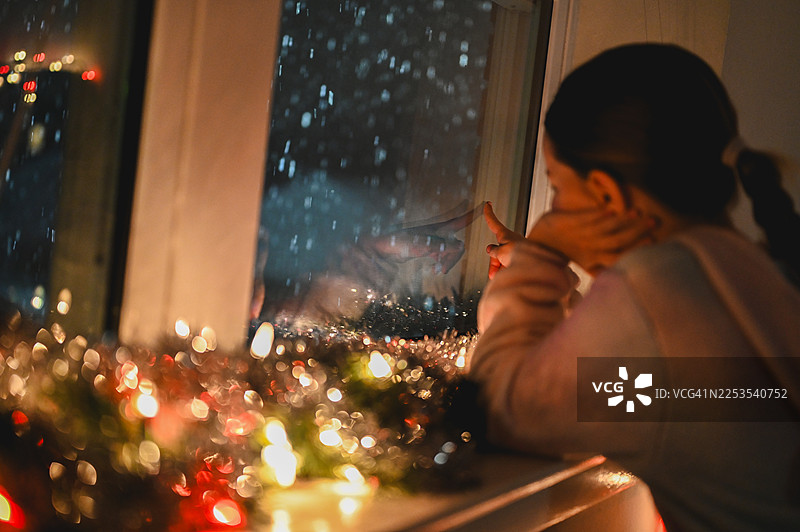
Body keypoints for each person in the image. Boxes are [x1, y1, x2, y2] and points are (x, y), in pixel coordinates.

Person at [469, 43, 800, 531]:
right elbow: (632, 379)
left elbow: (499, 408)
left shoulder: (654, 289)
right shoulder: (744, 267)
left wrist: (544, 250)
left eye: (558, 190)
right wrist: (540, 277)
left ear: (605, 193)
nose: (554, 209)